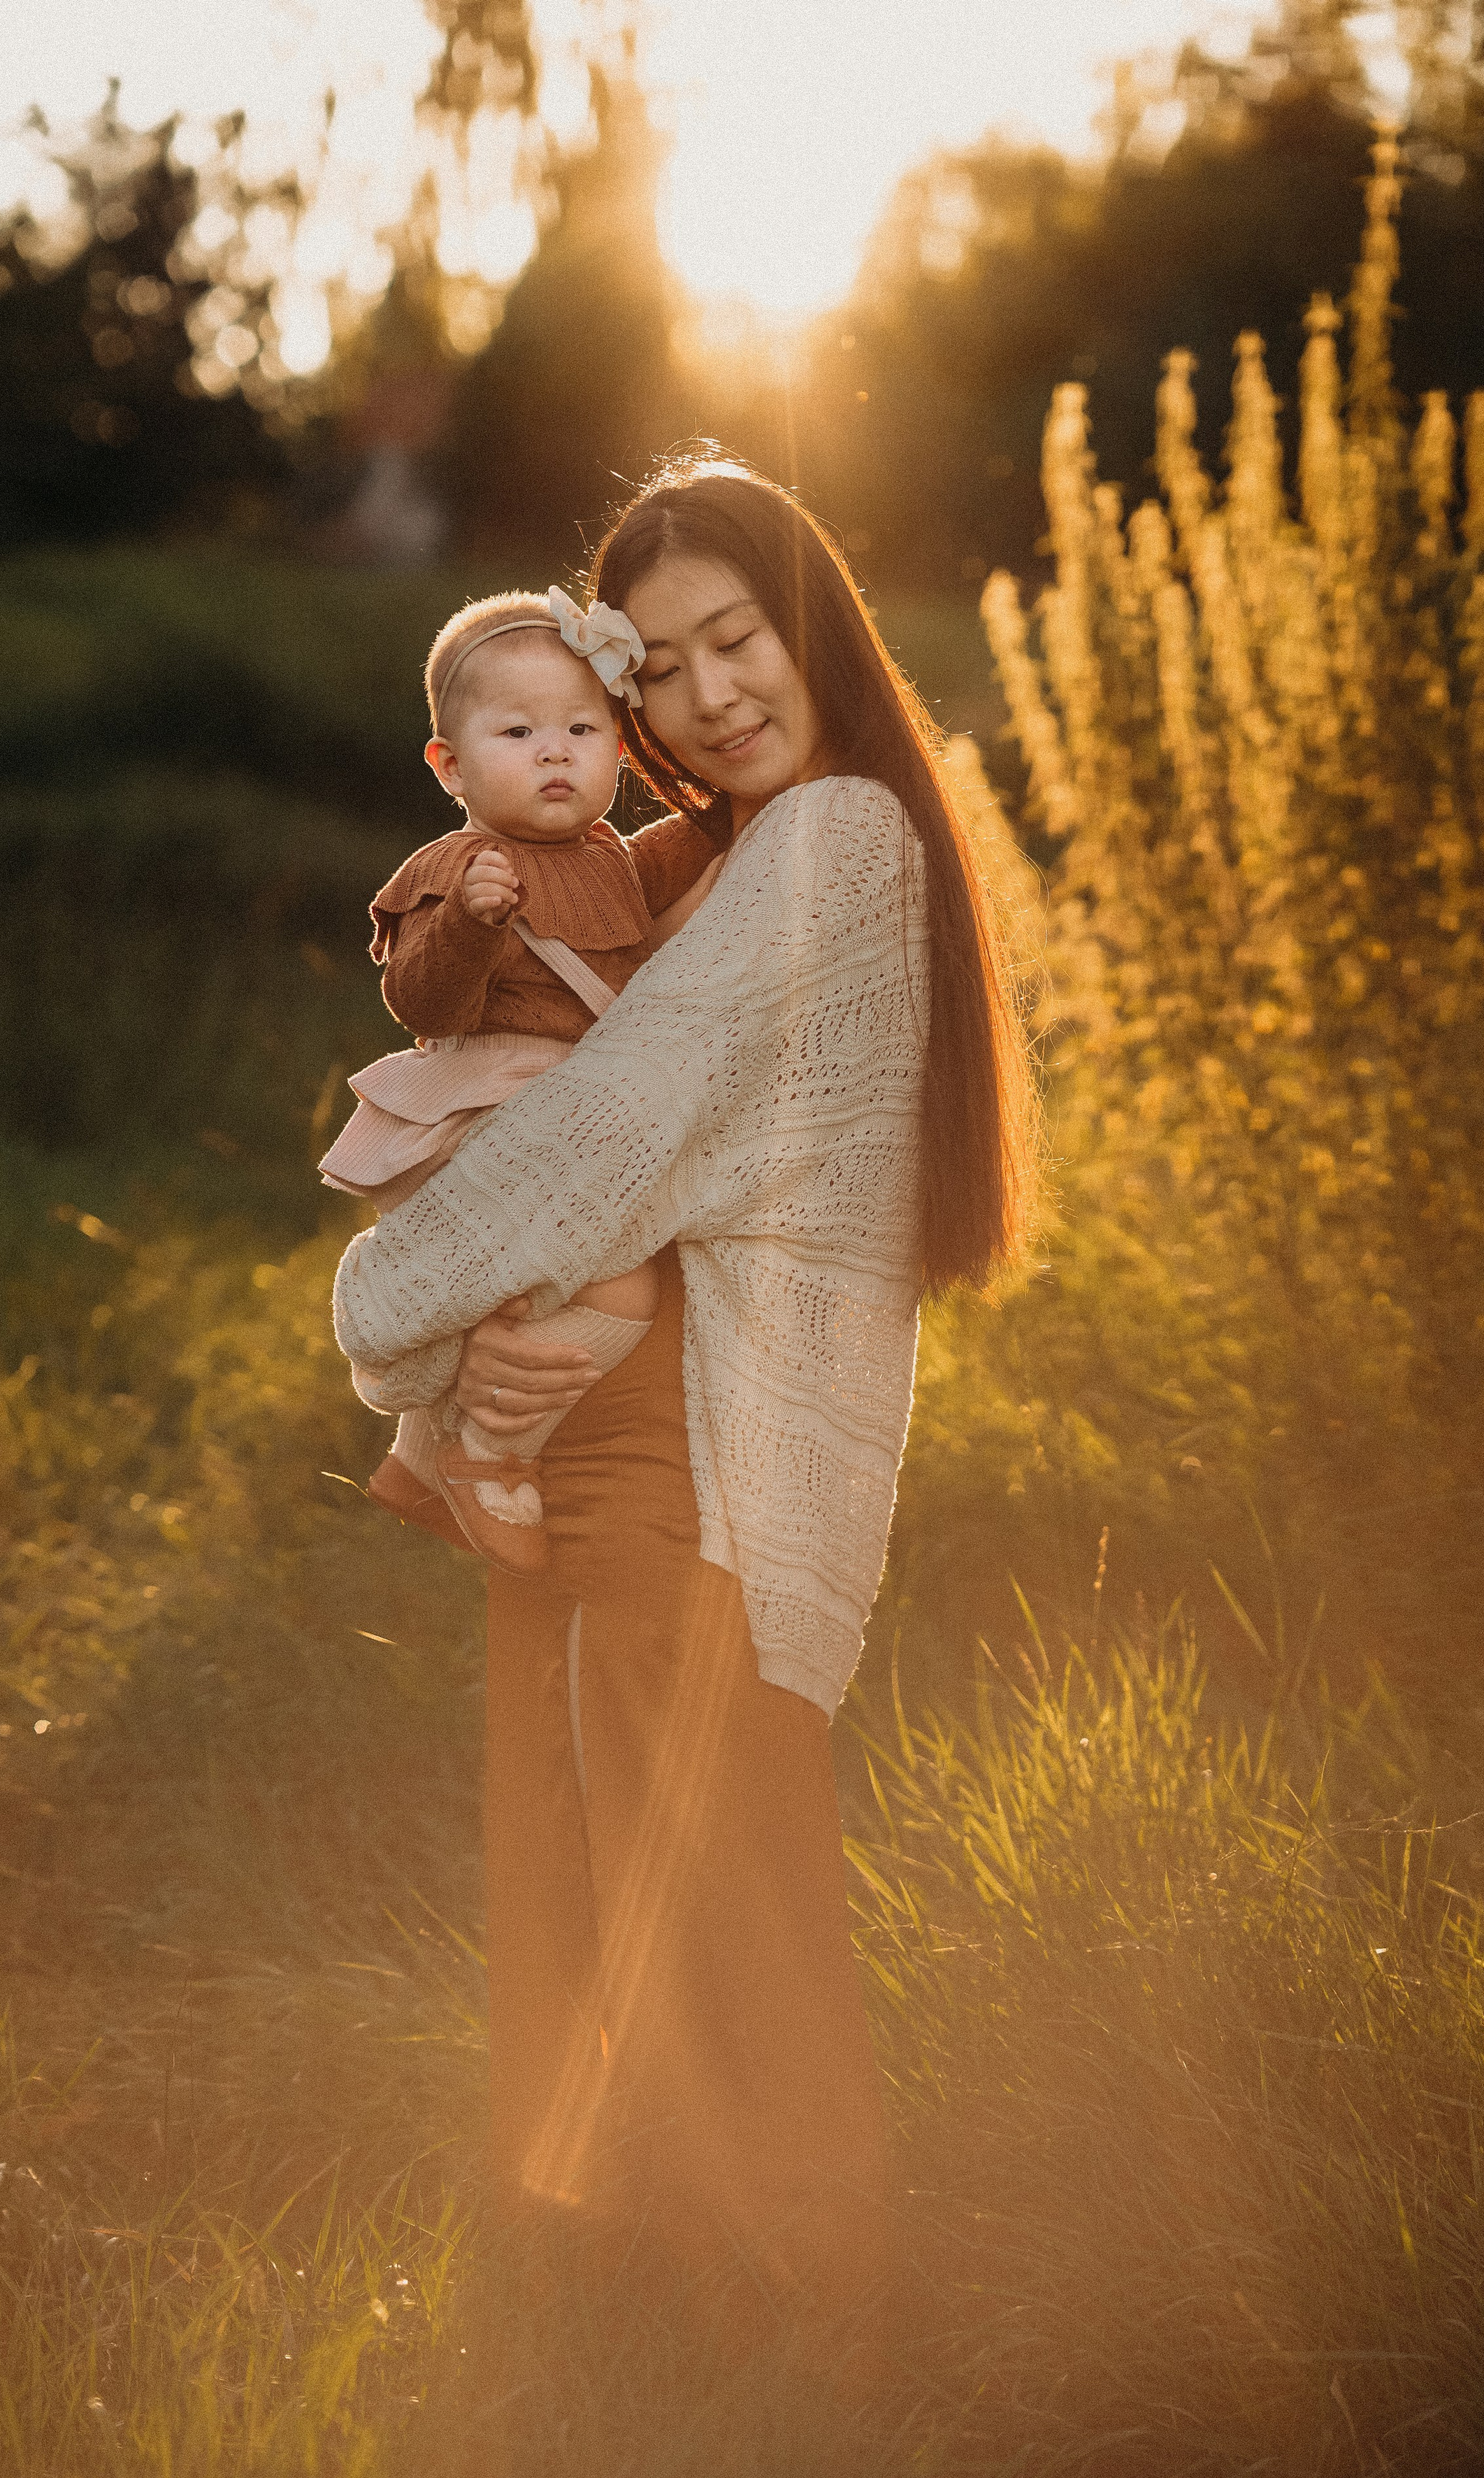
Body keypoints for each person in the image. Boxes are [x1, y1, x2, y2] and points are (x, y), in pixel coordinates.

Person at [333, 459, 1032, 2326]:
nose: (716, 694)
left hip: (704, 1492)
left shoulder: (832, 846)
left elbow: (614, 1141)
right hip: (637, 1471)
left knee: (734, 1944)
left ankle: (821, 2388)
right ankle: (670, 2362)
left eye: (747, 638)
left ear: (818, 630)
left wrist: (391, 1310)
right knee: (625, 1930)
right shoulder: (701, 860)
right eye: (668, 669)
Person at [320, 586, 719, 1572]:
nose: (555, 750)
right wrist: (469, 922)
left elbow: (702, 844)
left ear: (619, 753)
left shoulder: (611, 863)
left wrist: (747, 807)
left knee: (554, 1288)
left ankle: (425, 1450)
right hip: (490, 1119)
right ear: (450, 765)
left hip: (572, 1123)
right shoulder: (457, 868)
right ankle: (492, 1450)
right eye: (518, 730)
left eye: (583, 728)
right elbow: (422, 1003)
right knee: (618, 1293)